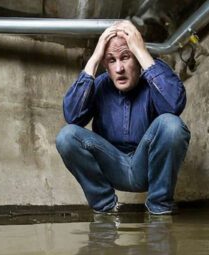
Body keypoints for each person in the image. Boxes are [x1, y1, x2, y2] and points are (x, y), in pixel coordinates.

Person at [56, 21, 190, 215]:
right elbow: (72, 116)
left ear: (136, 57)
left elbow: (174, 105)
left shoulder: (153, 73)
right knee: (66, 136)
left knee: (171, 125)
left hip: (147, 165)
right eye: (111, 60)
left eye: (125, 57)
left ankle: (160, 208)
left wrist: (142, 52)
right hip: (113, 166)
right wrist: (94, 59)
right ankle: (105, 208)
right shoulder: (100, 85)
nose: (119, 68)